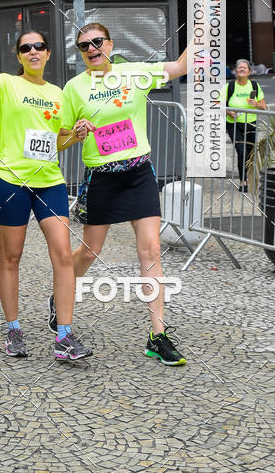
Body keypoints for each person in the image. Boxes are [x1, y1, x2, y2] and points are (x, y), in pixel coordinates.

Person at [59, 22, 188, 367]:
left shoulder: (133, 73)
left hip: (139, 174)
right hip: (101, 178)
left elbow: (180, 66)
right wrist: (76, 132)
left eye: (97, 42)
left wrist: (203, 28)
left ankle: (157, 336)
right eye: (84, 46)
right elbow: (59, 140)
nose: (91, 49)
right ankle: (60, 295)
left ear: (110, 44)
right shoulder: (74, 88)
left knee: (152, 248)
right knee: (89, 252)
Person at [0, 19, 93, 362]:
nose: (33, 52)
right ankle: (13, 328)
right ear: (19, 56)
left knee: (64, 256)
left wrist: (76, 134)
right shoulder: (7, 84)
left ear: (48, 53)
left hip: (50, 184)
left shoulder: (58, 94)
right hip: (12, 183)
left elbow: (57, 142)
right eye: (26, 48)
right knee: (11, 258)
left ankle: (64, 336)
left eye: (39, 47)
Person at [220, 58, 267, 193]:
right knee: (241, 152)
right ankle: (243, 181)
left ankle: (251, 177)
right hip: (234, 124)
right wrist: (228, 111)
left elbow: (264, 106)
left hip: (251, 124)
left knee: (250, 154)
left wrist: (256, 104)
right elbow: (217, 104)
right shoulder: (229, 87)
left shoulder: (254, 86)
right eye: (239, 67)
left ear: (249, 71)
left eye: (244, 68)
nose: (241, 69)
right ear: (235, 71)